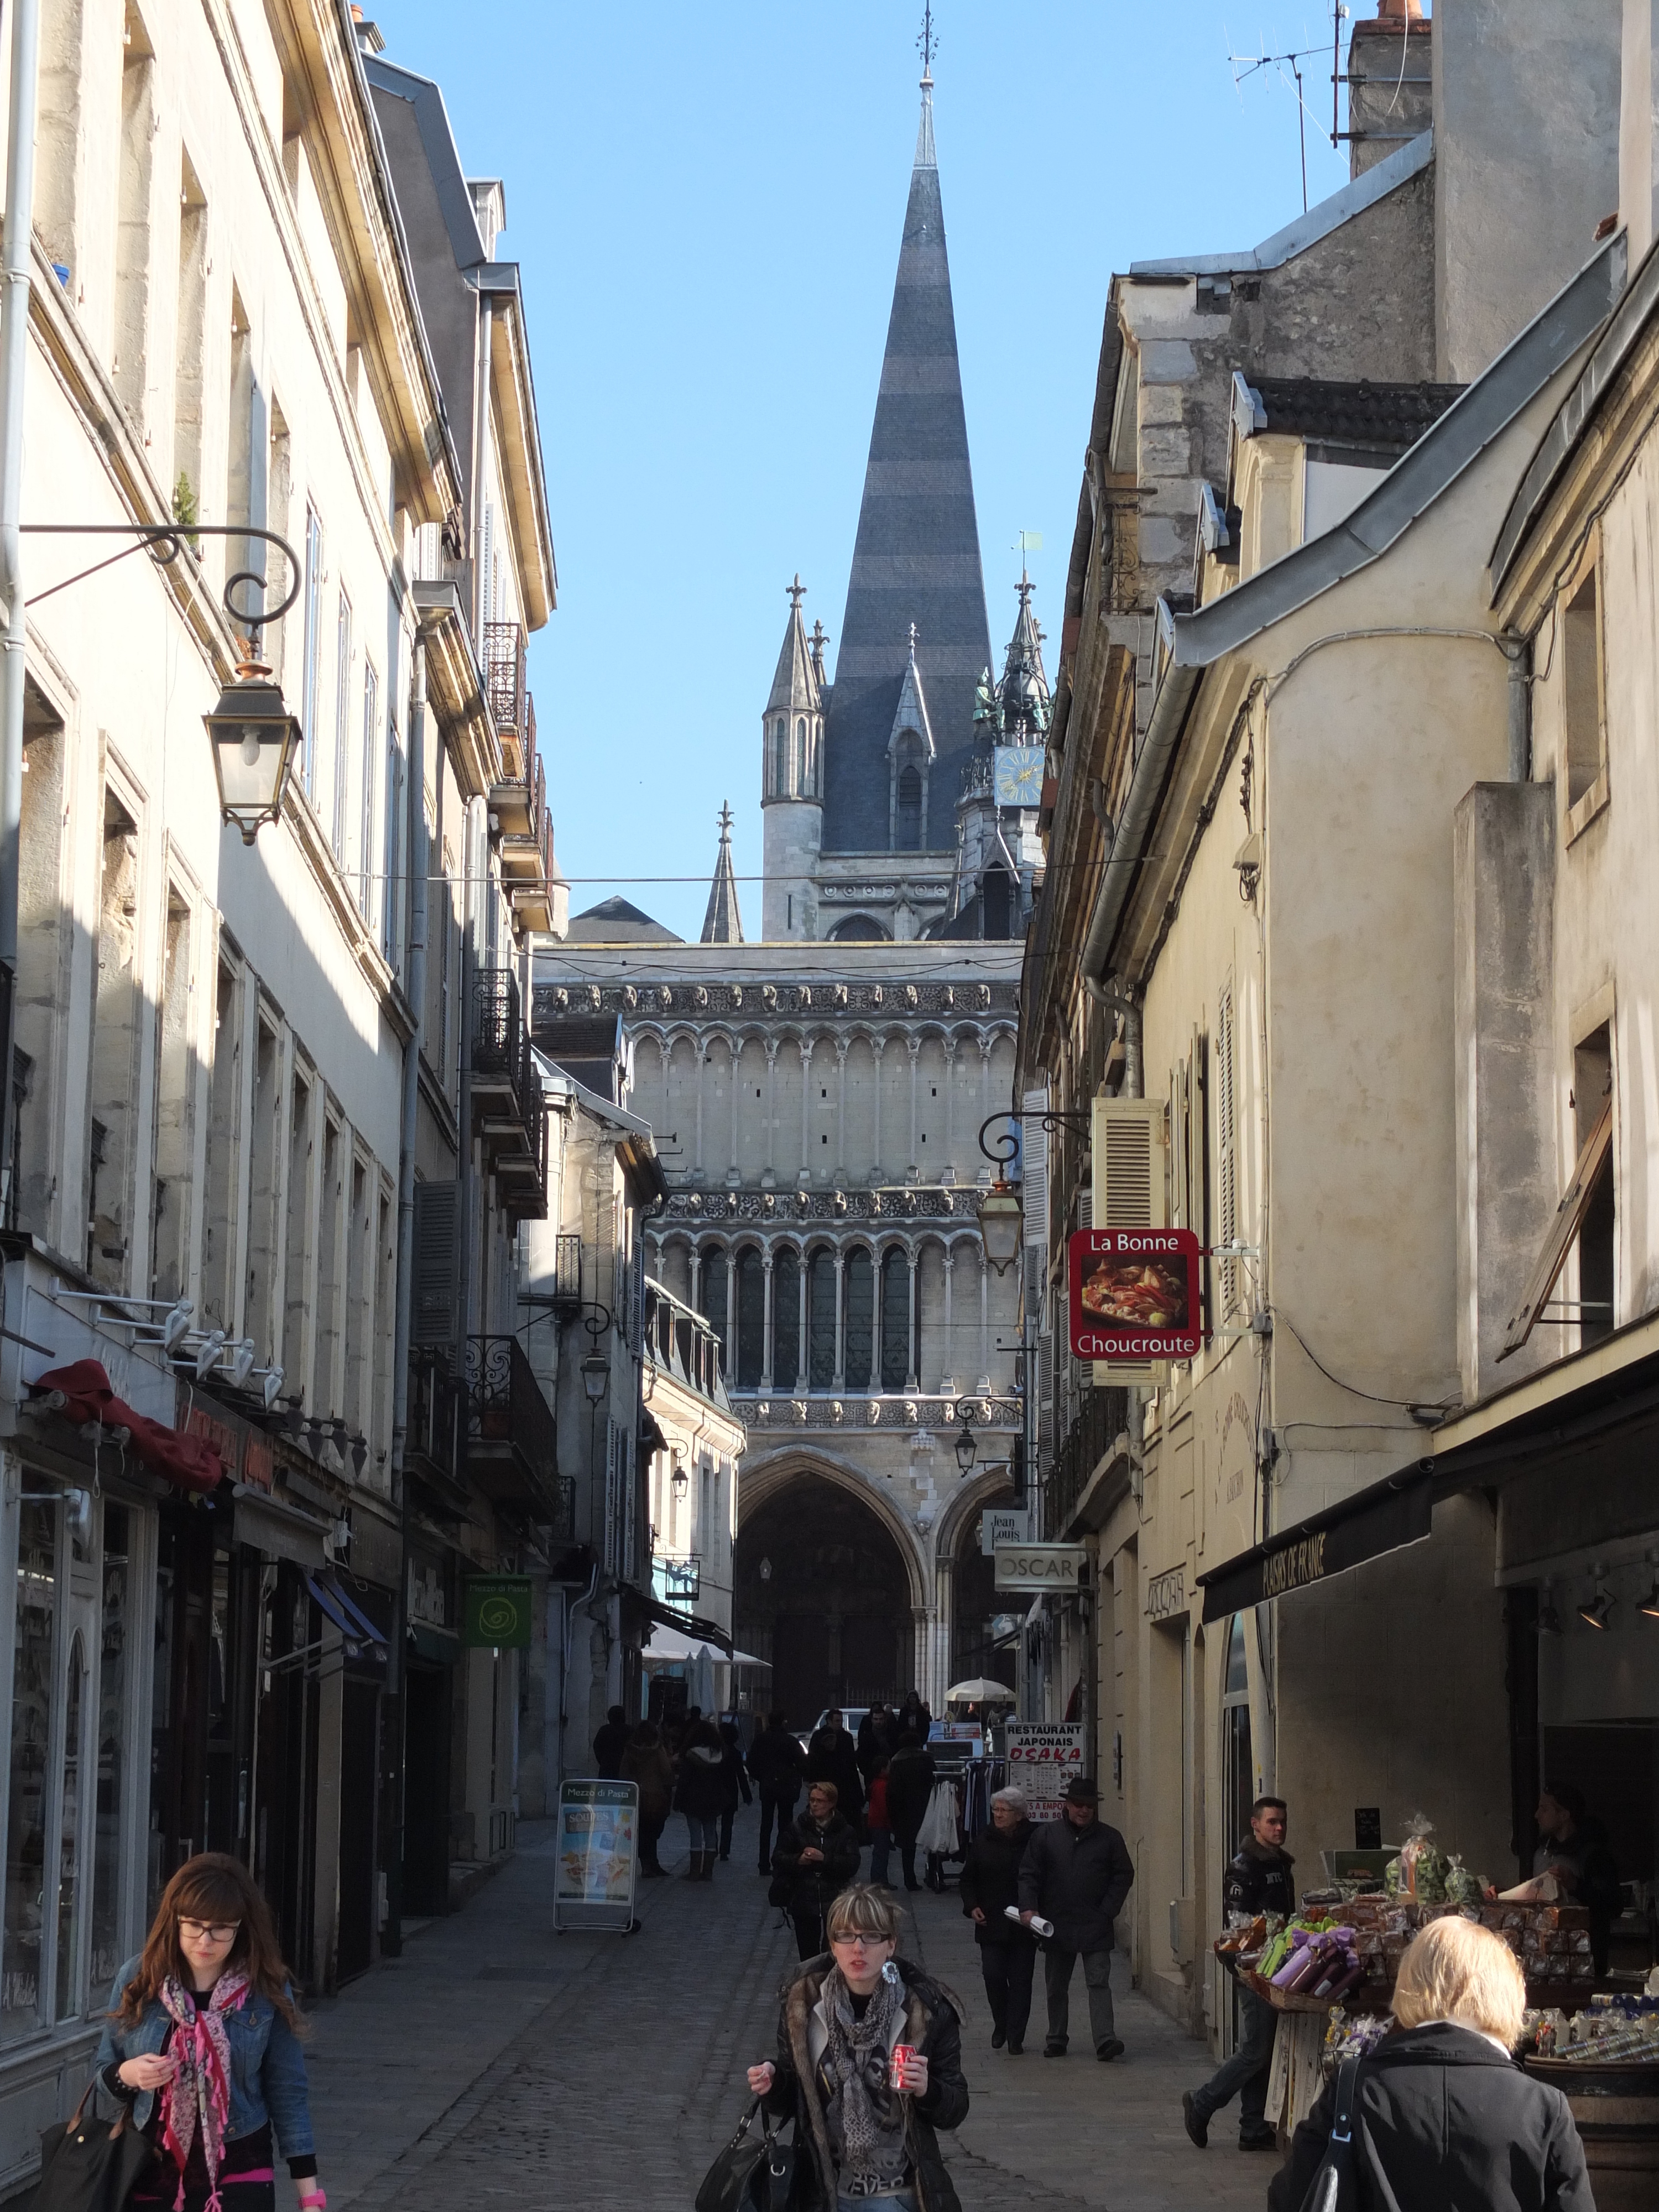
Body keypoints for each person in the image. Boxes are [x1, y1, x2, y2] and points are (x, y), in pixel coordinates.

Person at [1269, 1916, 1593, 2212]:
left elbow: (1290, 2199)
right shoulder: (1544, 2108)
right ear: (1507, 1994)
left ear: (1410, 1985)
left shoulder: (1353, 2089)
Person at [94, 1853, 319, 2212]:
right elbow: (104, 2070)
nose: (205, 1939)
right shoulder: (139, 1978)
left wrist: (310, 2197)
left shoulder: (265, 1988)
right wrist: (130, 2075)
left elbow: (288, 2091)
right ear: (175, 1921)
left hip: (241, 2170)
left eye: (221, 1928)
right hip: (151, 2171)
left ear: (241, 1928)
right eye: (194, 1925)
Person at [745, 1883, 969, 2211]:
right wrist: (773, 2081)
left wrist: (928, 2090)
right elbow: (795, 2095)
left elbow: (956, 2108)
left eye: (871, 1936)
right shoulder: (804, 2004)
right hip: (825, 2193)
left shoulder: (926, 2009)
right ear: (833, 1945)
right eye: (845, 1936)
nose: (858, 1948)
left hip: (897, 2195)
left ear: (891, 1944)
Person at [1182, 1795, 1291, 2150]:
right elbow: (1239, 1924)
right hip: (1254, 1965)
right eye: (1271, 1822)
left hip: (1277, 1964)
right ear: (1255, 1824)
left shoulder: (1280, 1863)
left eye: (1282, 1823)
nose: (1278, 1828)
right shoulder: (1244, 1867)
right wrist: (1250, 1966)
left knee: (1265, 2048)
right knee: (1256, 2051)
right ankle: (1202, 2103)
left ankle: (1254, 2128)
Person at [1018, 1776, 1134, 2060]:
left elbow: (1124, 1875)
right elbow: (1029, 1873)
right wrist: (1029, 1908)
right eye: (1079, 1805)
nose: (1084, 1811)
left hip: (1096, 1924)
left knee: (1098, 1982)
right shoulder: (1046, 1836)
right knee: (1056, 1984)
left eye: (1089, 1806)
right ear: (1067, 1805)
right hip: (1056, 1923)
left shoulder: (1110, 1838)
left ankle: (1106, 2040)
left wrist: (1108, 1910)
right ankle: (1056, 2037)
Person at [958, 1786, 1038, 2054]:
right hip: (991, 1921)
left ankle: (1016, 2036)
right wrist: (972, 1907)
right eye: (996, 1810)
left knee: (1021, 1981)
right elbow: (968, 1878)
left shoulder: (1034, 1840)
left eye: (1004, 1810)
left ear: (1019, 1815)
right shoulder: (984, 1840)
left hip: (1024, 1923)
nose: (999, 1814)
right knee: (992, 1976)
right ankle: (1000, 2023)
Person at [1534, 1781, 1623, 1975]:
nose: (1537, 1816)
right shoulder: (1542, 1854)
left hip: (1583, 1964)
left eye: (1544, 1809)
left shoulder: (1594, 1857)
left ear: (1564, 1815)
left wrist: (1576, 1886)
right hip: (1544, 1960)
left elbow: (1613, 1906)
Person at [773, 1780, 862, 1960]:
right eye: (812, 1800)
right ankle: (810, 1986)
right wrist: (799, 1860)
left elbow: (852, 1864)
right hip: (804, 1898)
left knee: (833, 1953)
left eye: (819, 1801)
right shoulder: (796, 1828)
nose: (814, 1805)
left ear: (831, 1803)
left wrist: (824, 1859)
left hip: (835, 1899)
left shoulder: (845, 1832)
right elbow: (778, 1858)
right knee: (808, 1956)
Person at [749, 1710, 807, 1874]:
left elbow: (751, 1763)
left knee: (766, 1825)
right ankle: (781, 1861)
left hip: (768, 1786)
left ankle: (763, 1863)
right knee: (785, 1826)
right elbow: (802, 1763)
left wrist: (762, 1776)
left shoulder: (761, 1740)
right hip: (786, 1787)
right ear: (783, 1722)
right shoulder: (790, 1741)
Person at [674, 1718, 728, 1880]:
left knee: (695, 1835)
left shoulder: (691, 1756)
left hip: (693, 1799)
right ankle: (708, 1872)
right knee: (710, 1833)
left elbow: (684, 1781)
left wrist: (678, 1801)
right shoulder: (720, 1755)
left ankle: (694, 1871)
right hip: (713, 1800)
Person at [884, 1730, 937, 1892]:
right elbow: (934, 1781)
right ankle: (934, 1875)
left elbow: (892, 1790)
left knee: (908, 1848)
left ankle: (910, 1880)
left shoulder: (897, 1762)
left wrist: (893, 1815)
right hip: (926, 1805)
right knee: (932, 1843)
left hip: (904, 1809)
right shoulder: (927, 1759)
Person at [620, 1718, 674, 1877]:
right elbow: (666, 1771)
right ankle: (653, 1863)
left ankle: (646, 1865)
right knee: (653, 1832)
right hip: (655, 1796)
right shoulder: (657, 1750)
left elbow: (623, 1773)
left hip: (636, 1795)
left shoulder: (630, 1750)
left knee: (641, 1831)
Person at [806, 1709, 865, 1828]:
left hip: (843, 1783)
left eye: (841, 1721)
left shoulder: (846, 1737)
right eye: (837, 1721)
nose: (839, 1724)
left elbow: (851, 1764)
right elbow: (812, 1761)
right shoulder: (819, 1736)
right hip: (825, 1780)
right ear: (829, 1721)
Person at [716, 1718, 753, 1861]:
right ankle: (724, 1850)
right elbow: (741, 1776)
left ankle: (712, 1846)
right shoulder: (735, 1753)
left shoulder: (716, 1752)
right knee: (728, 1823)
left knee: (712, 1820)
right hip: (731, 1790)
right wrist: (747, 1795)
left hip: (716, 1789)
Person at [866, 1758, 893, 1887]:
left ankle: (881, 1880)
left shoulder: (877, 1783)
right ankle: (879, 1881)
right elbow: (883, 1807)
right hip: (880, 1823)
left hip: (876, 1822)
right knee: (881, 1853)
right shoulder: (882, 1785)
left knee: (880, 1853)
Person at [856, 1703, 894, 1787]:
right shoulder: (867, 1738)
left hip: (890, 1777)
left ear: (885, 1719)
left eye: (881, 1719)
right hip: (872, 1778)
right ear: (872, 1720)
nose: (878, 1722)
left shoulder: (892, 1735)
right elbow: (861, 1757)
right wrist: (867, 1772)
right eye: (876, 1719)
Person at [591, 1703, 629, 1779]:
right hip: (625, 1768)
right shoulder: (630, 1730)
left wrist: (603, 1761)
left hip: (607, 1767)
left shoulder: (604, 1730)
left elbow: (597, 1747)